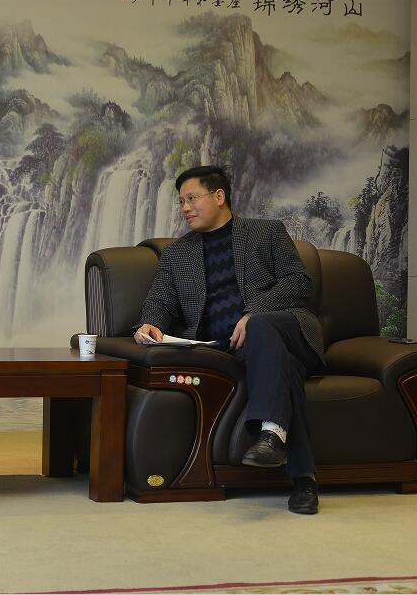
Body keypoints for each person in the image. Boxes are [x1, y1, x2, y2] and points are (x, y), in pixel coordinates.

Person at [134, 165, 324, 514]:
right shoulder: (176, 254)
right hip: (236, 351)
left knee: (262, 327)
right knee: (284, 368)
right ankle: (302, 480)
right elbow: (160, 298)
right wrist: (151, 323)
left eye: (192, 198)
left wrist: (254, 313)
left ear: (219, 196)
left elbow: (299, 283)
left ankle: (273, 436)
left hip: (289, 330)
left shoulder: (267, 233)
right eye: (181, 202)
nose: (185, 208)